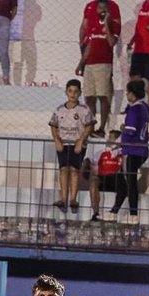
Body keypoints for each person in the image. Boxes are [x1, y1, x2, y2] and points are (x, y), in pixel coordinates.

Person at [49, 79, 94, 214]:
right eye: (70, 91)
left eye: (75, 91)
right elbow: (53, 125)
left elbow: (89, 126)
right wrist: (57, 140)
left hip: (77, 144)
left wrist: (81, 141)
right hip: (63, 143)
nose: (72, 94)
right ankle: (63, 199)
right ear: (66, 92)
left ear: (80, 93)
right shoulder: (59, 110)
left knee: (74, 170)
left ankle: (73, 199)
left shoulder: (84, 109)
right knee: (63, 169)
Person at [110, 79, 149, 218]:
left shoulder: (134, 109)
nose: (127, 95)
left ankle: (133, 214)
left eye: (127, 92)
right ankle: (114, 211)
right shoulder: (145, 107)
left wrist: (122, 127)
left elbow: (131, 130)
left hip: (132, 150)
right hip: (142, 149)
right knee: (124, 180)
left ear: (132, 94)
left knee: (130, 182)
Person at [77, 0, 119, 135]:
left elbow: (111, 42)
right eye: (99, 8)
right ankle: (91, 126)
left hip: (103, 63)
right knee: (89, 96)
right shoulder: (92, 21)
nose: (100, 11)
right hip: (89, 63)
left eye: (103, 8)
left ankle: (102, 128)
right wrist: (81, 62)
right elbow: (89, 43)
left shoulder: (113, 21)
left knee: (103, 96)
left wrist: (106, 23)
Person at [87, 129, 122, 220]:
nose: (108, 140)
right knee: (94, 181)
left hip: (117, 178)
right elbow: (92, 163)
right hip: (104, 177)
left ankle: (114, 211)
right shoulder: (102, 152)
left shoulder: (122, 151)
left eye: (110, 137)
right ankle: (96, 212)